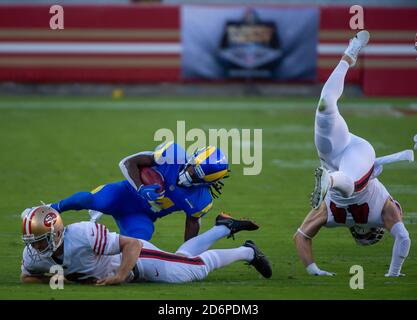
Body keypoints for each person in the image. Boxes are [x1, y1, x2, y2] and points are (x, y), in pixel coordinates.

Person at [293, 30, 413, 277]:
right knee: (351, 183)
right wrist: (393, 273)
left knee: (325, 105)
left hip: (331, 160)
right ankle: (331, 180)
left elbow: (301, 236)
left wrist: (315, 271)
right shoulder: (379, 212)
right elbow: (401, 236)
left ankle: (349, 54)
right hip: (357, 156)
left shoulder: (330, 216)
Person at [22, 141, 229, 241]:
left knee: (139, 242)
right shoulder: (172, 154)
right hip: (124, 194)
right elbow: (127, 162)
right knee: (93, 200)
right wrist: (141, 188)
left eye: (196, 175)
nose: (190, 172)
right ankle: (48, 208)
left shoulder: (201, 199)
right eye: (192, 166)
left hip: (142, 215)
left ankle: (102, 259)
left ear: (206, 183)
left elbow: (192, 226)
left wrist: (186, 256)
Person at [20, 206, 271, 285]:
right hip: (129, 269)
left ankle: (247, 251)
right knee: (180, 257)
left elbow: (130, 245)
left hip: (138, 259)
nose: (36, 246)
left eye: (40, 239)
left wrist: (119, 275)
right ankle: (223, 227)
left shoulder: (82, 233)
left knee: (192, 270)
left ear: (56, 233)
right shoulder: (34, 255)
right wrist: (57, 279)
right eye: (33, 240)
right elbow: (26, 276)